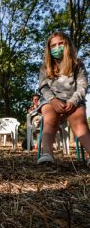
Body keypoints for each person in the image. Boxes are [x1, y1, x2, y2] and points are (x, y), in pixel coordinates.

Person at [37, 31, 90, 166]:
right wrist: (53, 101)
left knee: (79, 121)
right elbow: (43, 87)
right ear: (49, 49)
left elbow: (83, 85)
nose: (57, 47)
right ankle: (47, 154)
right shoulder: (45, 67)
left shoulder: (77, 64)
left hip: (74, 100)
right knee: (50, 119)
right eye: (53, 45)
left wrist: (73, 101)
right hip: (51, 100)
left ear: (68, 45)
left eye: (60, 44)